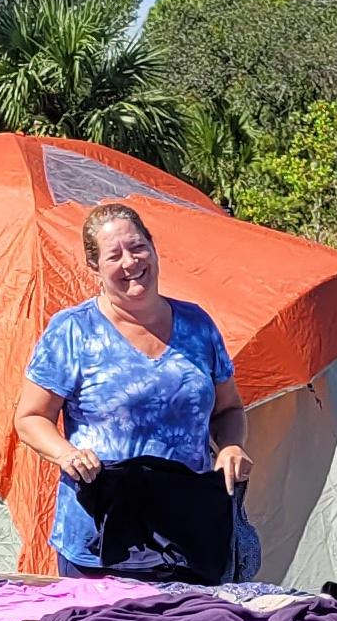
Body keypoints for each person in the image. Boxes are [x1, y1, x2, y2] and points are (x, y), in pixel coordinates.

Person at [14, 203, 253, 578]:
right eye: (114, 255)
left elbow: (229, 410)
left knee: (194, 619)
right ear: (94, 267)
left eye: (138, 247)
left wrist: (231, 446)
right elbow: (30, 418)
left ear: (153, 249)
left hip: (189, 532)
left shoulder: (197, 324)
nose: (130, 262)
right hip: (101, 538)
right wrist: (67, 454)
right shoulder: (72, 330)